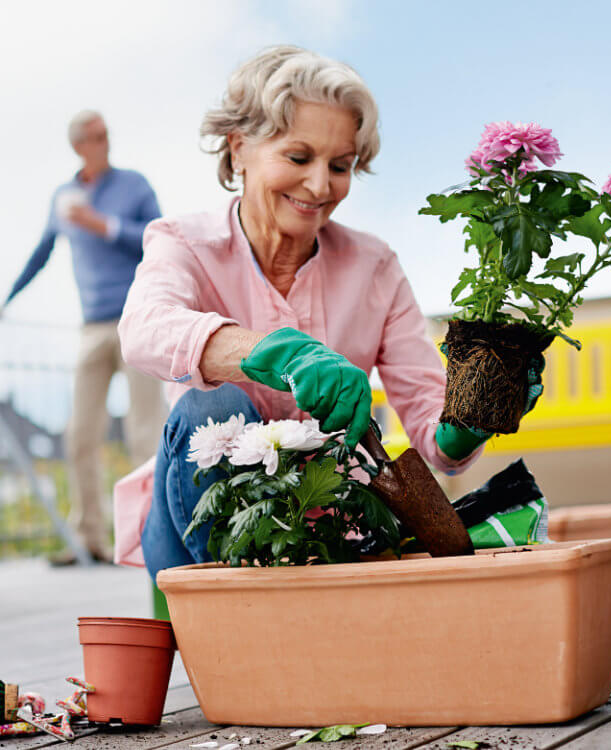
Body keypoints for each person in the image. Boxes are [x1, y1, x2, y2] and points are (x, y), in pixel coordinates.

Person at [113, 46, 543, 584]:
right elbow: (143, 329)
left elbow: (436, 437)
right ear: (239, 147)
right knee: (212, 405)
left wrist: (475, 413)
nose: (320, 186)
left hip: (329, 530)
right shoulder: (185, 242)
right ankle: (242, 621)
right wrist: (274, 353)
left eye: (340, 166)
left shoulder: (374, 267)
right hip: (196, 525)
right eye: (298, 158)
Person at [0, 110, 166, 562]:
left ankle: (157, 535)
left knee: (146, 431)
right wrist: (6, 302)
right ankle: (88, 538)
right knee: (80, 435)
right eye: (94, 136)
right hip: (92, 328)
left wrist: (102, 224)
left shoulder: (134, 185)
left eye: (106, 133)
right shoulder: (62, 199)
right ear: (78, 146)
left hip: (137, 319)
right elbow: (40, 254)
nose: (104, 141)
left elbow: (158, 238)